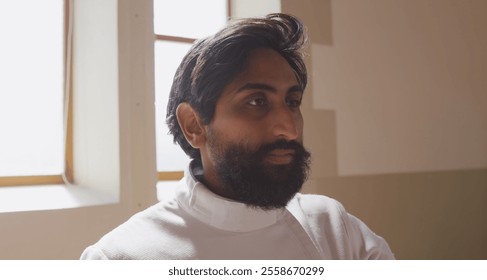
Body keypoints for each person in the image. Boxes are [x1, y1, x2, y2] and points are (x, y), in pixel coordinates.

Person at [81, 13, 394, 260]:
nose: (290, 127)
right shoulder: (121, 259)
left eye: (292, 102)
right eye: (256, 101)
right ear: (194, 125)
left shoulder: (334, 229)